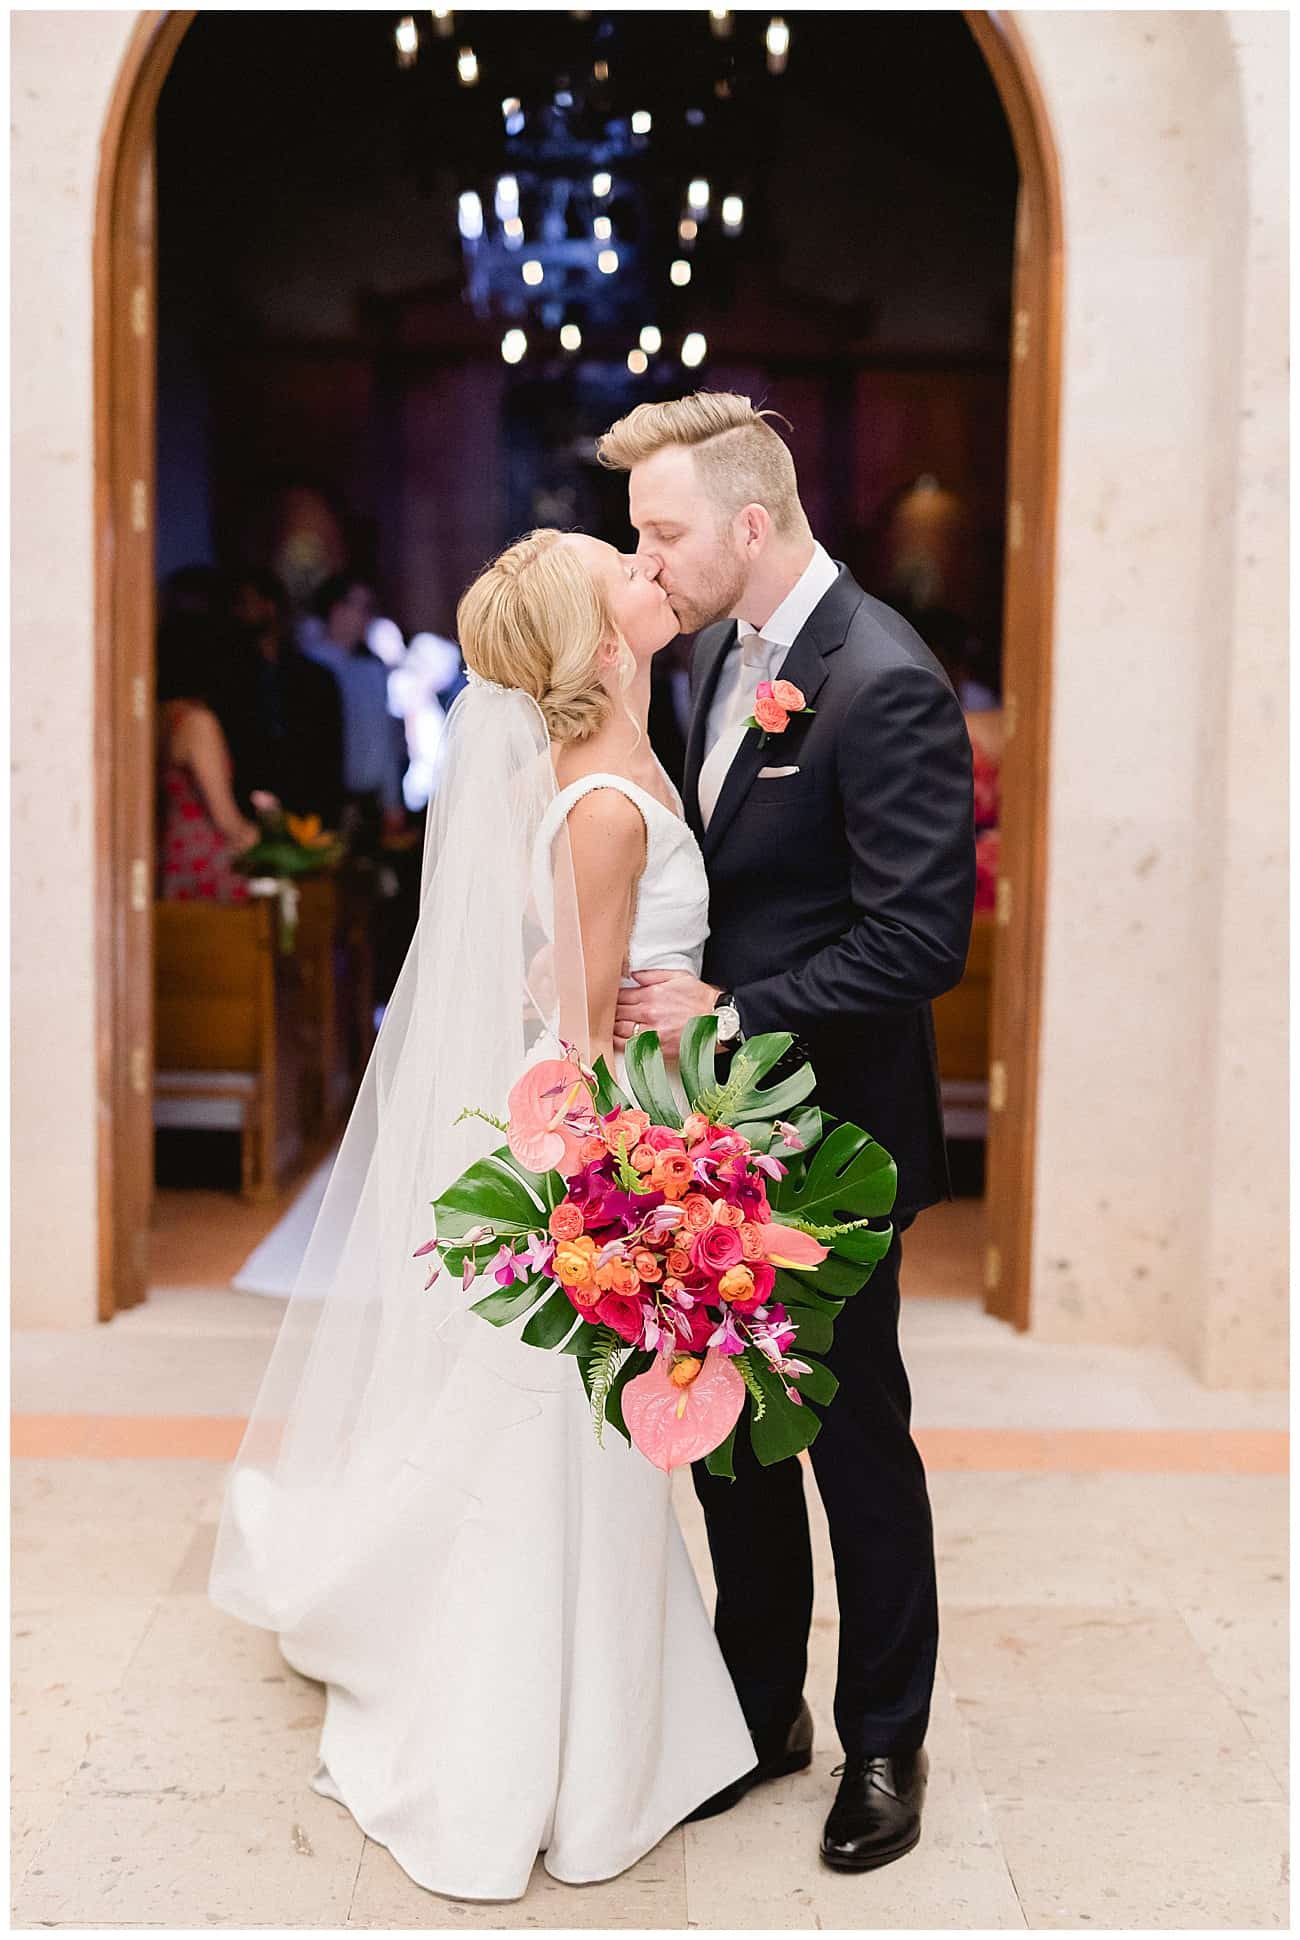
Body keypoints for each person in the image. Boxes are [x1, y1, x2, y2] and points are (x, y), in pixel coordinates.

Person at [208, 529, 756, 1900]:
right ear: (596, 636)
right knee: (564, 1445)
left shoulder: (605, 773)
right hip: (596, 1140)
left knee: (553, 1443)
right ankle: (536, 1748)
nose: (651, 566)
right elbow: (578, 1029)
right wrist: (663, 1160)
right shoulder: (612, 804)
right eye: (624, 564)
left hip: (584, 1119)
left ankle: (580, 1724)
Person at [598, 392, 976, 1874]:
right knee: (729, 1431)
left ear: (751, 528)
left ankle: (886, 1736)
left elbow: (919, 938)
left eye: (668, 533)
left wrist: (730, 1005)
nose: (652, 559)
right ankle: (761, 1713)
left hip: (832, 1131)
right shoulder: (710, 663)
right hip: (714, 1131)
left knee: (852, 1437)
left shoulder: (881, 679)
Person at [226, 569, 346, 827]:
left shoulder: (315, 678)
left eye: (246, 603)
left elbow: (327, 754)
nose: (239, 613)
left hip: (307, 808)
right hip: (246, 809)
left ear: (270, 607)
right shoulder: (230, 677)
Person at [156, 612, 259, 902]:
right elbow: (226, 820)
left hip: (171, 856)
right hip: (202, 864)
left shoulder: (159, 717)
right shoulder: (198, 723)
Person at [299, 573, 407, 849]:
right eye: (362, 607)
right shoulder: (309, 667)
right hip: (325, 801)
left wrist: (392, 801)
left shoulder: (372, 669)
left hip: (369, 801)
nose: (367, 618)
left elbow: (384, 740)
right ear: (337, 609)